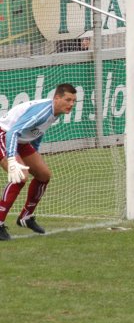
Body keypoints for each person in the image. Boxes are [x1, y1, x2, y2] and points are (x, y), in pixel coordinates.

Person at [0, 83, 78, 240]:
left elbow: (36, 133)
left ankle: (26, 217)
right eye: (68, 100)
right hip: (4, 135)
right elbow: (13, 132)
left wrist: (34, 153)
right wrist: (11, 159)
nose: (71, 104)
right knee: (20, 176)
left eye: (73, 101)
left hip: (20, 140)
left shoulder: (55, 112)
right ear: (57, 98)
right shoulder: (42, 111)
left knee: (43, 175)